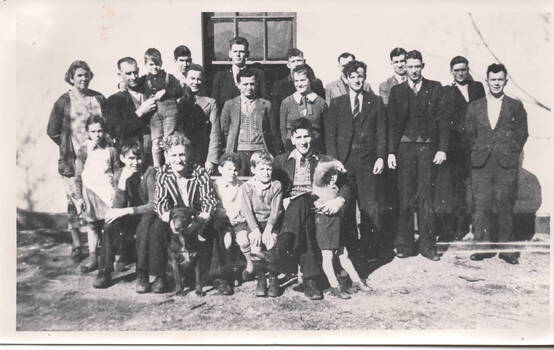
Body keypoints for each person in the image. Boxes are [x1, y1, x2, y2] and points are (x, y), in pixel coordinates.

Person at [269, 118, 349, 300]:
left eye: (307, 136)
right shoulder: (281, 161)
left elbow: (345, 184)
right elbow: (269, 184)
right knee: (300, 207)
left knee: (303, 200)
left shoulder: (323, 160)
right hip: (289, 212)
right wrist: (281, 200)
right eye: (299, 137)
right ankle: (310, 280)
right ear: (292, 139)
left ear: (312, 137)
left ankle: (279, 252)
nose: (303, 141)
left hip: (316, 210)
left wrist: (339, 201)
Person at [153, 132, 234, 294]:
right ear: (167, 156)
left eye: (182, 154)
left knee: (216, 225)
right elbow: (160, 202)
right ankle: (162, 276)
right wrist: (171, 222)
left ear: (188, 154)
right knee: (156, 226)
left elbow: (209, 201)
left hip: (197, 217)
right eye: (174, 155)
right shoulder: (162, 173)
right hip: (173, 218)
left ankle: (217, 276)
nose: (178, 159)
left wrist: (198, 222)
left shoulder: (199, 172)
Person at [387, 50, 447, 261]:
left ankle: (428, 246)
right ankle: (404, 244)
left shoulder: (435, 88)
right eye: (409, 66)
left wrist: (442, 148)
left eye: (416, 66)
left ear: (423, 66)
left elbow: (443, 120)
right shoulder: (397, 91)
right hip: (404, 149)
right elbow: (392, 125)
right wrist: (391, 152)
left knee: (426, 198)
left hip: (428, 149)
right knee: (405, 197)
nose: (413, 70)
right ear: (405, 67)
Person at [325, 60, 387, 262]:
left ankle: (371, 250)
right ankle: (351, 250)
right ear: (346, 78)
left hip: (368, 162)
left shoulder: (375, 101)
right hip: (345, 162)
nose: (357, 80)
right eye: (353, 76)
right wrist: (334, 161)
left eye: (360, 76)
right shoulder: (337, 103)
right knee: (347, 206)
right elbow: (330, 135)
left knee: (370, 207)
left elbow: (381, 132)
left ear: (365, 77)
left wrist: (380, 157)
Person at [465, 63, 528, 265]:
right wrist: (478, 149)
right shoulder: (475, 106)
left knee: (505, 204)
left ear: (505, 81)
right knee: (481, 205)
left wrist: (510, 150)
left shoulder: (515, 106)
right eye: (493, 80)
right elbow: (468, 133)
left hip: (505, 163)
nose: (496, 83)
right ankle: (482, 248)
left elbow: (522, 133)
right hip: (481, 163)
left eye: (500, 79)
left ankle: (507, 251)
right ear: (487, 81)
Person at [47, 60, 108, 263]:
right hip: (73, 161)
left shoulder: (99, 98)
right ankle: (76, 244)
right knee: (75, 201)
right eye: (79, 75)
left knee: (98, 199)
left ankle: (99, 246)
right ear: (71, 78)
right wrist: (68, 146)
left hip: (97, 158)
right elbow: (52, 130)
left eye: (86, 74)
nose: (83, 78)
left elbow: (108, 126)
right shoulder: (64, 101)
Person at [434, 56, 485, 241]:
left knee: (477, 187)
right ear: (451, 72)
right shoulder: (446, 91)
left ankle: (478, 228)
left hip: (476, 145)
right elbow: (444, 120)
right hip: (456, 149)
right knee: (457, 189)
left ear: (467, 69)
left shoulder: (477, 87)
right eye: (456, 70)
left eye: (463, 69)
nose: (460, 73)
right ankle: (460, 227)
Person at [94, 138, 151, 289]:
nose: (135, 162)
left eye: (138, 158)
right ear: (122, 158)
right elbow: (116, 207)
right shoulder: (119, 174)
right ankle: (105, 270)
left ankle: (142, 274)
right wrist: (122, 185)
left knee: (144, 226)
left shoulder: (149, 172)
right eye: (131, 158)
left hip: (146, 216)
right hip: (128, 218)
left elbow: (153, 205)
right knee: (109, 225)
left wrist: (126, 210)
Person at [312, 156, 371, 299]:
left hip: (336, 224)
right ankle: (335, 286)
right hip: (324, 225)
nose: (333, 177)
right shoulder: (318, 186)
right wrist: (332, 164)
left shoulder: (335, 187)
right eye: (329, 174)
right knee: (328, 256)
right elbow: (320, 172)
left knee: (343, 255)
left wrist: (340, 169)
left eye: (335, 174)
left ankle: (357, 281)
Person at [72, 116, 119, 273]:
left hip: (107, 192)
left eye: (100, 130)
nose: (97, 134)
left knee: (108, 225)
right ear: (88, 132)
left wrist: (116, 192)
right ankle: (93, 257)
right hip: (90, 192)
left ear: (104, 131)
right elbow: (78, 177)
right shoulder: (84, 150)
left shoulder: (111, 150)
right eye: (93, 131)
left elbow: (117, 172)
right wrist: (79, 198)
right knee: (92, 226)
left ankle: (109, 257)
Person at [239, 151, 283, 297]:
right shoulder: (246, 187)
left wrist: (269, 228)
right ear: (253, 170)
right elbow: (247, 211)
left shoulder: (276, 185)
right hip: (255, 223)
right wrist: (255, 230)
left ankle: (273, 277)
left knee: (271, 242)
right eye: (261, 169)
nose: (266, 172)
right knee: (255, 243)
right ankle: (261, 278)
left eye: (268, 168)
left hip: (271, 223)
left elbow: (276, 210)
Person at [220, 69, 275, 175]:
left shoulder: (266, 105)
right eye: (245, 84)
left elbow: (272, 130)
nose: (249, 87)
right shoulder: (230, 105)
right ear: (238, 85)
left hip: (260, 151)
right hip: (238, 151)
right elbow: (225, 129)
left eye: (252, 84)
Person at [271, 48, 325, 150]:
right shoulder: (280, 86)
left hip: (312, 141)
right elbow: (278, 119)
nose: (296, 64)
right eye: (293, 61)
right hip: (292, 142)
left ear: (304, 62)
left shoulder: (316, 84)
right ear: (288, 64)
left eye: (299, 60)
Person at [107, 57, 157, 167]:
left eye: (135, 72)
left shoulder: (148, 92)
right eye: (128, 74)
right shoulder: (114, 100)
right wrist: (140, 112)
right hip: (131, 159)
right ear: (119, 74)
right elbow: (116, 131)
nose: (133, 77)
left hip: (153, 156)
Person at [140, 48, 183, 167]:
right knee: (156, 141)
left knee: (168, 139)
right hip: (154, 113)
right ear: (145, 64)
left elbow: (179, 91)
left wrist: (166, 91)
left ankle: (170, 164)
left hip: (170, 110)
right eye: (151, 64)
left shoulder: (169, 77)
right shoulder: (144, 80)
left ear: (161, 63)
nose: (155, 67)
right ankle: (157, 166)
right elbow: (134, 86)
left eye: (157, 64)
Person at [177, 64, 220, 173]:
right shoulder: (177, 101)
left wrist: (211, 159)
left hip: (201, 153)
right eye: (192, 78)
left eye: (199, 79)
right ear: (186, 79)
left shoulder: (210, 103)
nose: (195, 82)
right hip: (181, 152)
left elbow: (215, 133)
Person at [212, 153, 248, 277]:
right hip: (224, 222)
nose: (232, 173)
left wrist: (238, 217)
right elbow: (216, 207)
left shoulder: (242, 185)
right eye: (229, 169)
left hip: (239, 221)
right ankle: (227, 273)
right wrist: (225, 215)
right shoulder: (216, 185)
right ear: (220, 169)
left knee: (243, 240)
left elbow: (245, 206)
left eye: (235, 170)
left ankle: (247, 269)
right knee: (226, 241)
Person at [279, 64, 327, 153]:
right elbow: (283, 130)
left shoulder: (321, 103)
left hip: (315, 149)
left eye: (303, 80)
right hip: (292, 149)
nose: (299, 84)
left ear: (311, 80)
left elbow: (326, 131)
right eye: (296, 81)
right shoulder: (286, 102)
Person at [211, 36, 266, 112]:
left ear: (247, 54)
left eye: (241, 51)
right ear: (230, 54)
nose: (238, 55)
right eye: (235, 51)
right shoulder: (220, 77)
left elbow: (264, 102)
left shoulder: (258, 75)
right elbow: (215, 105)